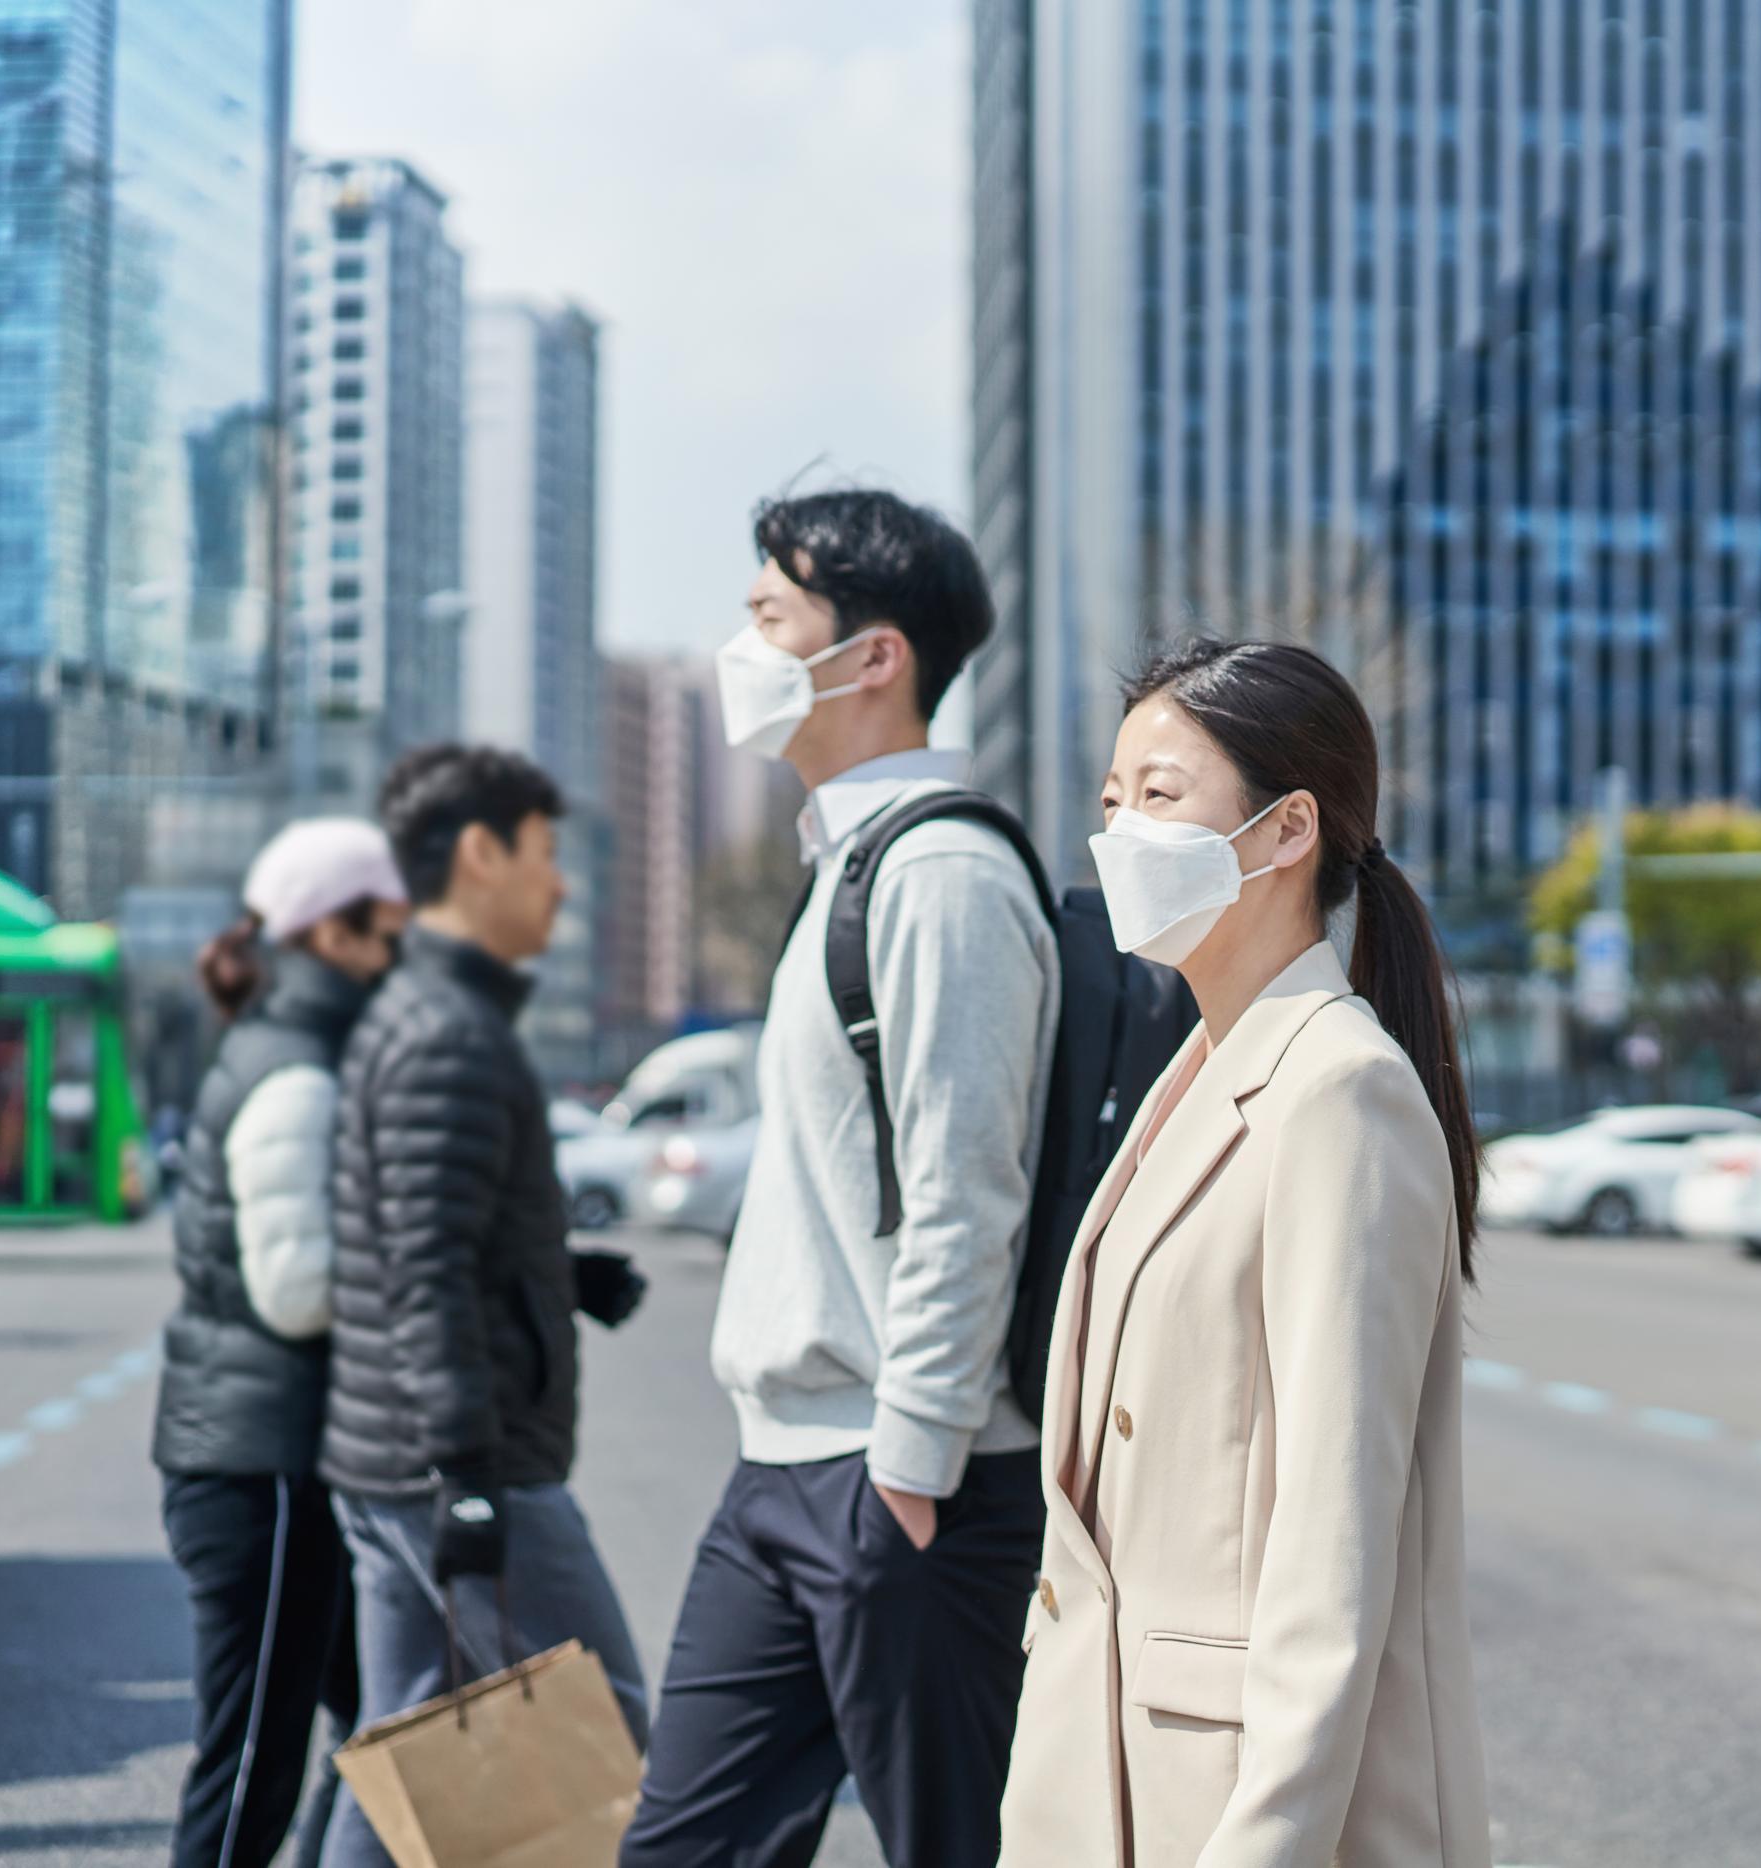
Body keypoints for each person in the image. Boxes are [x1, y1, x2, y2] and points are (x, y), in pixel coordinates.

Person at [998, 639, 1492, 1866]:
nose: (1118, 833)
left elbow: (1335, 1531)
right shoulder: (1202, 1066)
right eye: (1110, 800)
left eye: (1160, 797)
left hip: (1233, 1796)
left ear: (1285, 832)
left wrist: (1262, 1843)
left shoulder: (1337, 1090)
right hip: (1108, 1755)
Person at [620, 492, 1056, 1868]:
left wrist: (910, 1464)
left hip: (898, 1478)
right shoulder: (849, 868)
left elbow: (965, 1190)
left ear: (874, 658)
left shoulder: (940, 875)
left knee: (954, 1850)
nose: (741, 646)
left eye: (769, 618)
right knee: (685, 1850)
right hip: (787, 1472)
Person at [318, 746, 649, 1868]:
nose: (559, 883)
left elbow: (437, 1229)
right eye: (545, 854)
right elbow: (423, 1266)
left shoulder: (430, 1014)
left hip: (396, 1459)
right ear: (479, 854)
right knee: (604, 1714)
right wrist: (465, 1473)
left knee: (411, 1740)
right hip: (458, 1464)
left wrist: (564, 1273)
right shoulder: (447, 1033)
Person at [154, 820, 408, 1868]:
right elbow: (299, 1289)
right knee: (255, 1757)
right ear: (332, 935)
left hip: (290, 1461)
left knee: (387, 1722)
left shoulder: (300, 1046)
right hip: (267, 1473)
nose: (400, 956)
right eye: (387, 931)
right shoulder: (296, 1071)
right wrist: (441, 1284)